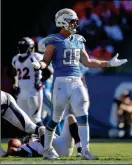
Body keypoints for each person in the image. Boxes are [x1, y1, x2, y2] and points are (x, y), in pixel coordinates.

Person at [32, 8, 127, 160]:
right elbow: (45, 61)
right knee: (55, 118)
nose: (76, 23)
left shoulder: (79, 40)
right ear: (63, 21)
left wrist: (109, 63)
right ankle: (47, 149)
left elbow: (87, 62)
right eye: (72, 21)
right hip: (61, 83)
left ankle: (85, 150)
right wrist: (39, 65)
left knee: (83, 115)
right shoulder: (53, 40)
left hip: (77, 82)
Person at [12, 37, 52, 126]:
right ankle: (31, 137)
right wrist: (16, 84)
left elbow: (48, 72)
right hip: (23, 92)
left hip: (33, 91)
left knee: (35, 118)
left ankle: (43, 138)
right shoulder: (16, 58)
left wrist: (39, 81)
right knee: (24, 118)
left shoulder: (34, 57)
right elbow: (16, 74)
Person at [7, 114, 83, 158]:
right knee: (42, 128)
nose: (23, 139)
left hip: (61, 143)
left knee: (70, 117)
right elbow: (11, 150)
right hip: (54, 149)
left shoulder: (30, 142)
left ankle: (80, 149)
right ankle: (48, 152)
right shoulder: (24, 148)